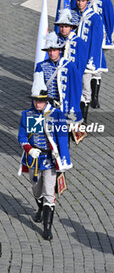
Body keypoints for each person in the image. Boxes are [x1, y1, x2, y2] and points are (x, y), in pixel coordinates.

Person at [18, 80, 72, 241]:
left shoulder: (56, 115)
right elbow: (22, 136)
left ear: (46, 100)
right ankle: (40, 208)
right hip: (34, 160)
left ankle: (47, 228)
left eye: (41, 100)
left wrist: (63, 160)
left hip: (49, 159)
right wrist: (29, 149)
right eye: (36, 100)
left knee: (49, 192)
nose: (38, 103)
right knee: (36, 188)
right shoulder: (28, 114)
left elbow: (62, 138)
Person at [71, 0, 114, 109]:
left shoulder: (103, 0)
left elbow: (109, 20)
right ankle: (85, 95)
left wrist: (107, 36)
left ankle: (94, 96)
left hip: (99, 39)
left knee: (96, 67)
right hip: (81, 40)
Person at [34, 31, 83, 142]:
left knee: (63, 134)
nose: (52, 53)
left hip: (63, 105)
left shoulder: (70, 66)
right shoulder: (41, 66)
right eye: (50, 51)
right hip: (48, 105)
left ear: (60, 51)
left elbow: (76, 89)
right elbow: (36, 90)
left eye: (54, 50)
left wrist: (73, 108)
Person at [71, 0, 107, 122]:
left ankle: (83, 121)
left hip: (85, 59)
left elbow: (96, 42)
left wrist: (91, 60)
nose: (80, 3)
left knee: (85, 89)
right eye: (78, 0)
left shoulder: (94, 18)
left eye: (83, 0)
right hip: (73, 57)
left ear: (88, 1)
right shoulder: (72, 15)